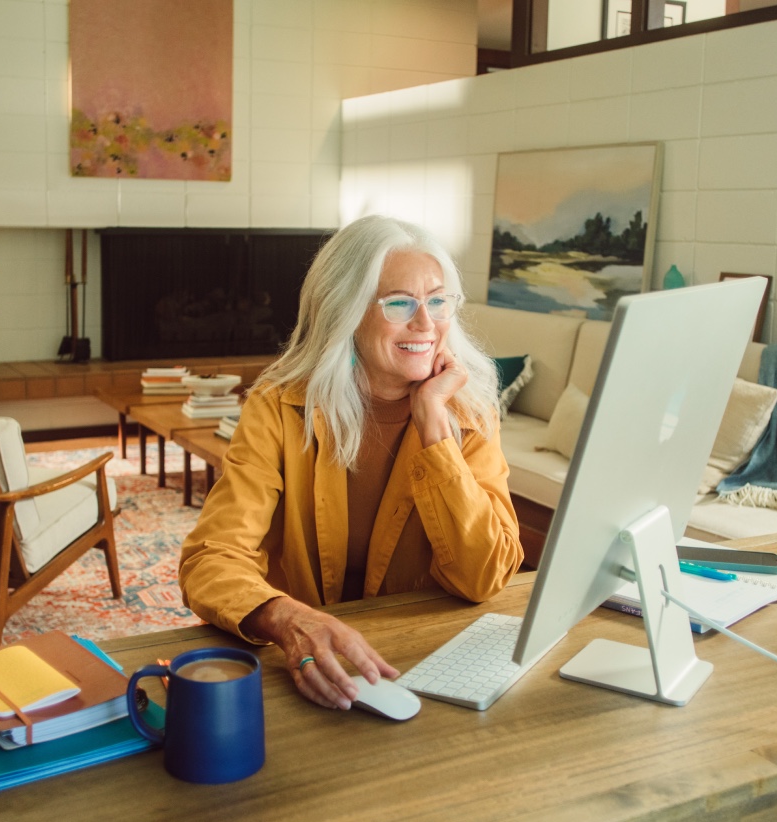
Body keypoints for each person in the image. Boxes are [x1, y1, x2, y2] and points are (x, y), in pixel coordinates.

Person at [179, 214, 523, 710]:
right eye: (400, 302)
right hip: (302, 661)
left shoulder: (468, 414)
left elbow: (485, 576)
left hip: (424, 660)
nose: (425, 323)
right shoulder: (279, 407)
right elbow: (211, 558)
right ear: (345, 310)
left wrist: (434, 426)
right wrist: (286, 619)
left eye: (438, 301)